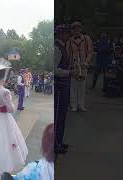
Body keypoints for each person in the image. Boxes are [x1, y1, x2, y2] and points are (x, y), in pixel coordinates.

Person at [67, 21, 93, 112]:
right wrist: (70, 66)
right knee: (73, 86)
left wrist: (87, 62)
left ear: (81, 29)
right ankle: (73, 105)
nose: (76, 30)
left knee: (82, 86)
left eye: (77, 28)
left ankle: (81, 105)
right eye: (74, 28)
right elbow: (68, 54)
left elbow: (90, 52)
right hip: (74, 65)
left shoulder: (86, 39)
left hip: (83, 65)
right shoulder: (69, 41)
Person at [55, 24, 71, 154]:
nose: (68, 35)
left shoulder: (62, 47)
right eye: (66, 33)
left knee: (62, 115)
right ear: (60, 34)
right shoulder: (57, 48)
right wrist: (69, 72)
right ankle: (55, 143)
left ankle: (59, 141)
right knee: (58, 116)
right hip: (59, 85)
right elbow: (55, 70)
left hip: (63, 84)